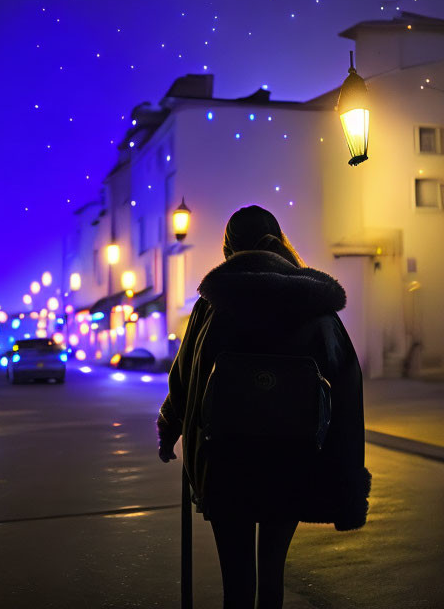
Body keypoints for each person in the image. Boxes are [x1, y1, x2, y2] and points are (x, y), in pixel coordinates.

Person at [157, 205, 371, 609]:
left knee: (235, 581)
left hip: (226, 461)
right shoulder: (313, 304)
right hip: (292, 459)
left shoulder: (214, 303)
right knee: (272, 575)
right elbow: (345, 382)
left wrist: (170, 429)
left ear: (228, 247)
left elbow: (186, 376)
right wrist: (345, 475)